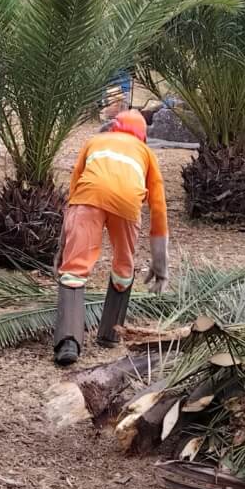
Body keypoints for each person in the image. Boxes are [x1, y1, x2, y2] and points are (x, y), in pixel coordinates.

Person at [54, 110, 169, 366]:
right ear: (143, 135)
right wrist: (160, 263)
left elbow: (74, 189)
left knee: (74, 270)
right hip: (127, 204)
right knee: (123, 266)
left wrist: (64, 245)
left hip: (88, 199)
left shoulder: (94, 141)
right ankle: (110, 334)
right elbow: (158, 207)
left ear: (113, 127)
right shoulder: (146, 152)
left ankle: (68, 343)